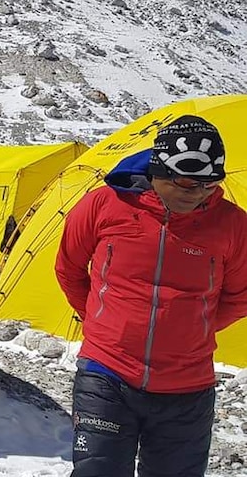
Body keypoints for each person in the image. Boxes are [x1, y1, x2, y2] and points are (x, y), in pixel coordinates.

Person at [55, 115, 247, 477]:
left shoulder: (234, 225)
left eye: (211, 184)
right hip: (107, 374)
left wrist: (192, 331)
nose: (199, 193)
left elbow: (240, 297)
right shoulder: (103, 205)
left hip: (187, 389)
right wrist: (102, 323)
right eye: (189, 182)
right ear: (159, 171)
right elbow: (68, 267)